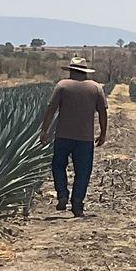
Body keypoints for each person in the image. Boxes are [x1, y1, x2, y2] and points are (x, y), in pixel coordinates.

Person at [39, 56, 108, 216]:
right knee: (83, 171)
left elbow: (51, 108)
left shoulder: (62, 86)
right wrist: (103, 133)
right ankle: (77, 203)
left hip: (63, 136)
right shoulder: (96, 88)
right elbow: (103, 112)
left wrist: (44, 130)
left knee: (58, 166)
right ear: (85, 72)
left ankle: (62, 194)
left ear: (71, 70)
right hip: (85, 138)